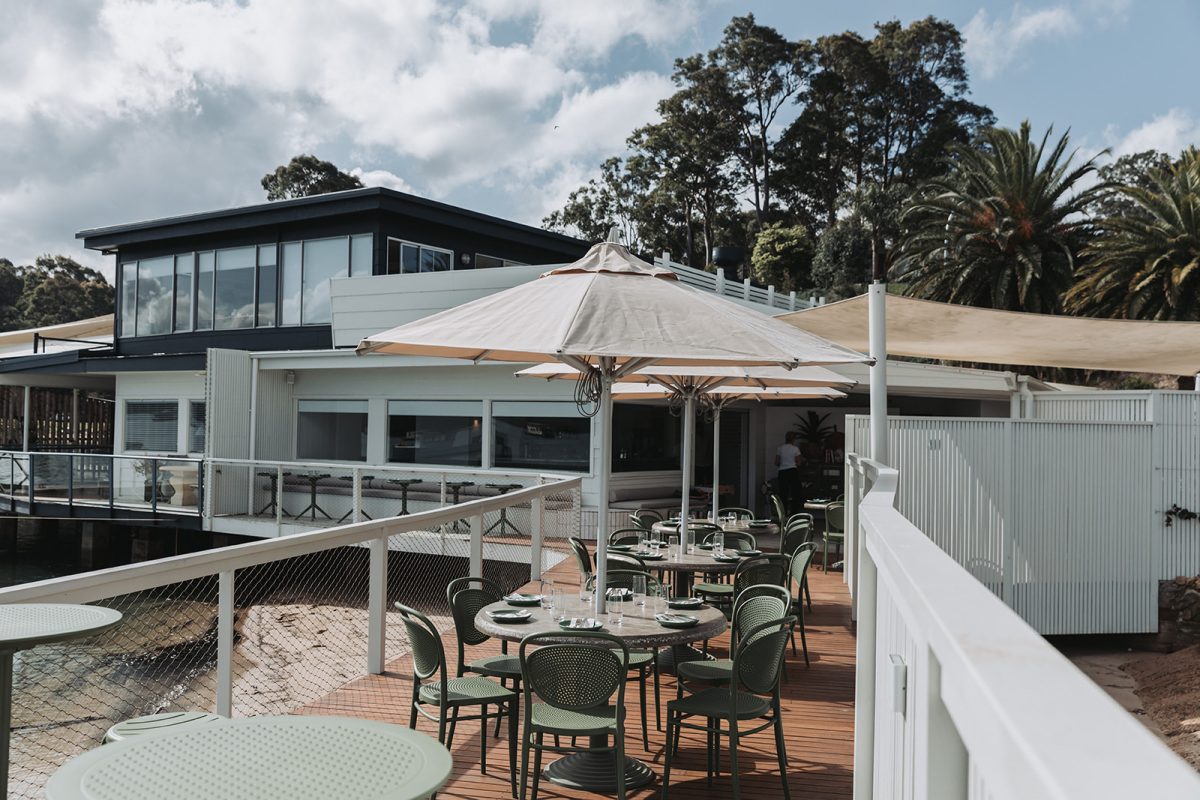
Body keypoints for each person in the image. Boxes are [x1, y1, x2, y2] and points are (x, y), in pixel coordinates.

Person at [774, 431, 803, 516]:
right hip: (792, 471)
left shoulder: (780, 448)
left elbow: (776, 462)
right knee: (795, 492)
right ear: (793, 439)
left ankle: (784, 513)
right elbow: (799, 462)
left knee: (783, 493)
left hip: (782, 472)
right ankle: (794, 513)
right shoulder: (795, 449)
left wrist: (783, 463)